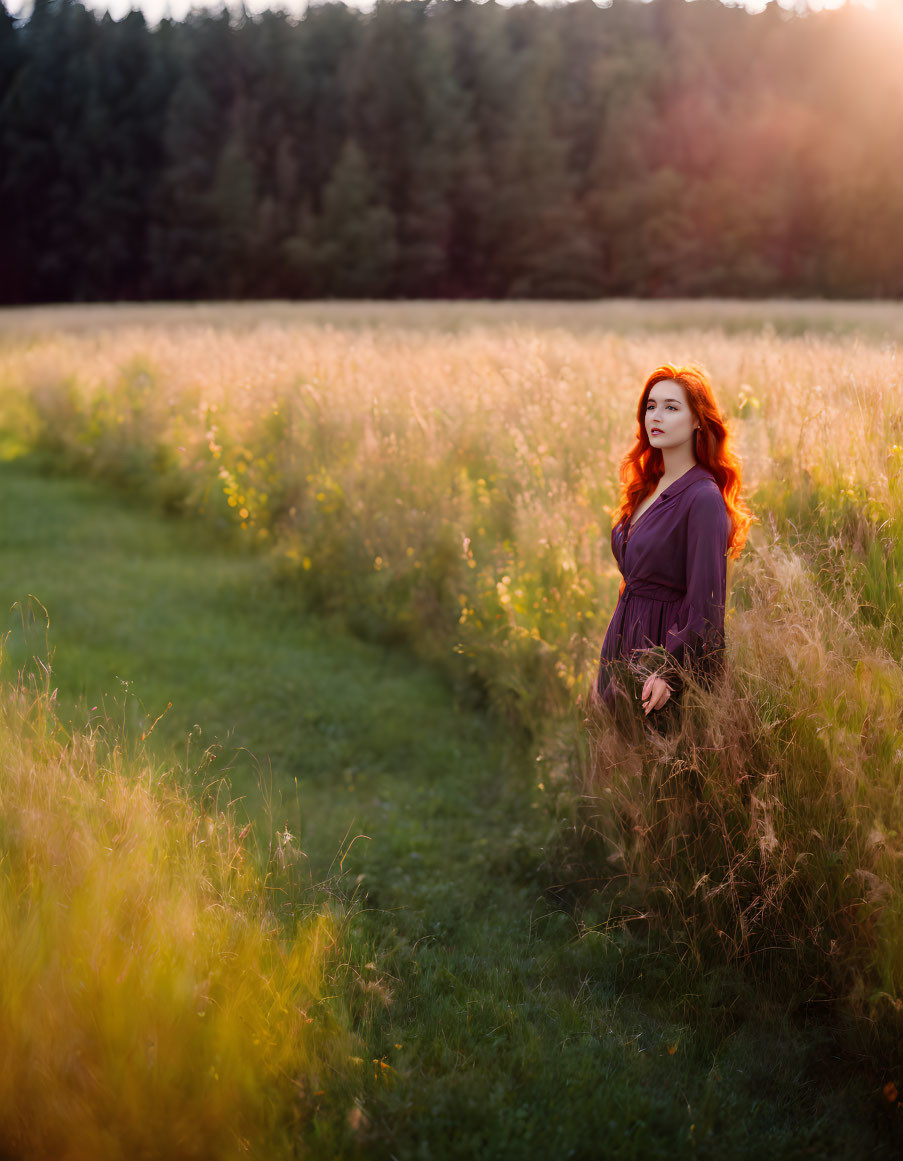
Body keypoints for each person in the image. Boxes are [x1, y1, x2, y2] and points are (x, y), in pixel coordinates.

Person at [591, 362, 753, 737]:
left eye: (671, 407)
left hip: (661, 656)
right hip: (622, 640)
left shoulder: (702, 498)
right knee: (616, 771)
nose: (656, 417)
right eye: (650, 406)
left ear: (699, 420)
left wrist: (670, 672)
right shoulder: (647, 485)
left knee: (655, 776)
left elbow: (705, 605)